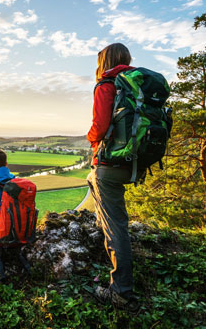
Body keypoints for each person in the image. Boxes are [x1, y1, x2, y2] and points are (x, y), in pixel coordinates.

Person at [86, 43, 139, 311]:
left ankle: (121, 291)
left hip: (109, 163)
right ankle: (105, 235)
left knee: (117, 225)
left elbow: (99, 126)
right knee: (92, 183)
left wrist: (90, 139)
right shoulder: (135, 85)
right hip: (132, 163)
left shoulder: (107, 85)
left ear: (104, 61)